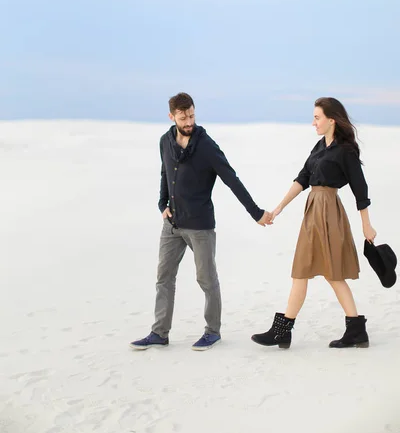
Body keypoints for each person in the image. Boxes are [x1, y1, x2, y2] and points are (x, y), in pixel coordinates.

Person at [131, 92, 271, 351]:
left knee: (206, 279)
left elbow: (231, 179)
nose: (188, 121)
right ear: (172, 116)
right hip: (172, 225)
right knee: (164, 278)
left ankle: (212, 331)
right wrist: (162, 204)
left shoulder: (206, 146)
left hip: (200, 225)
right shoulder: (165, 141)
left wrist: (256, 212)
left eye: (192, 115)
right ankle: (159, 333)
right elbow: (165, 172)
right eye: (183, 117)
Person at [251, 97, 377, 349]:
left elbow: (360, 190)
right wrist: (279, 208)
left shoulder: (345, 151)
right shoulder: (319, 147)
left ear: (332, 120)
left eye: (317, 117)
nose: (313, 122)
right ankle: (283, 330)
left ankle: (355, 329)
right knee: (301, 270)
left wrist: (366, 224)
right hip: (312, 211)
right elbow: (303, 178)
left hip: (330, 212)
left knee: (333, 274)